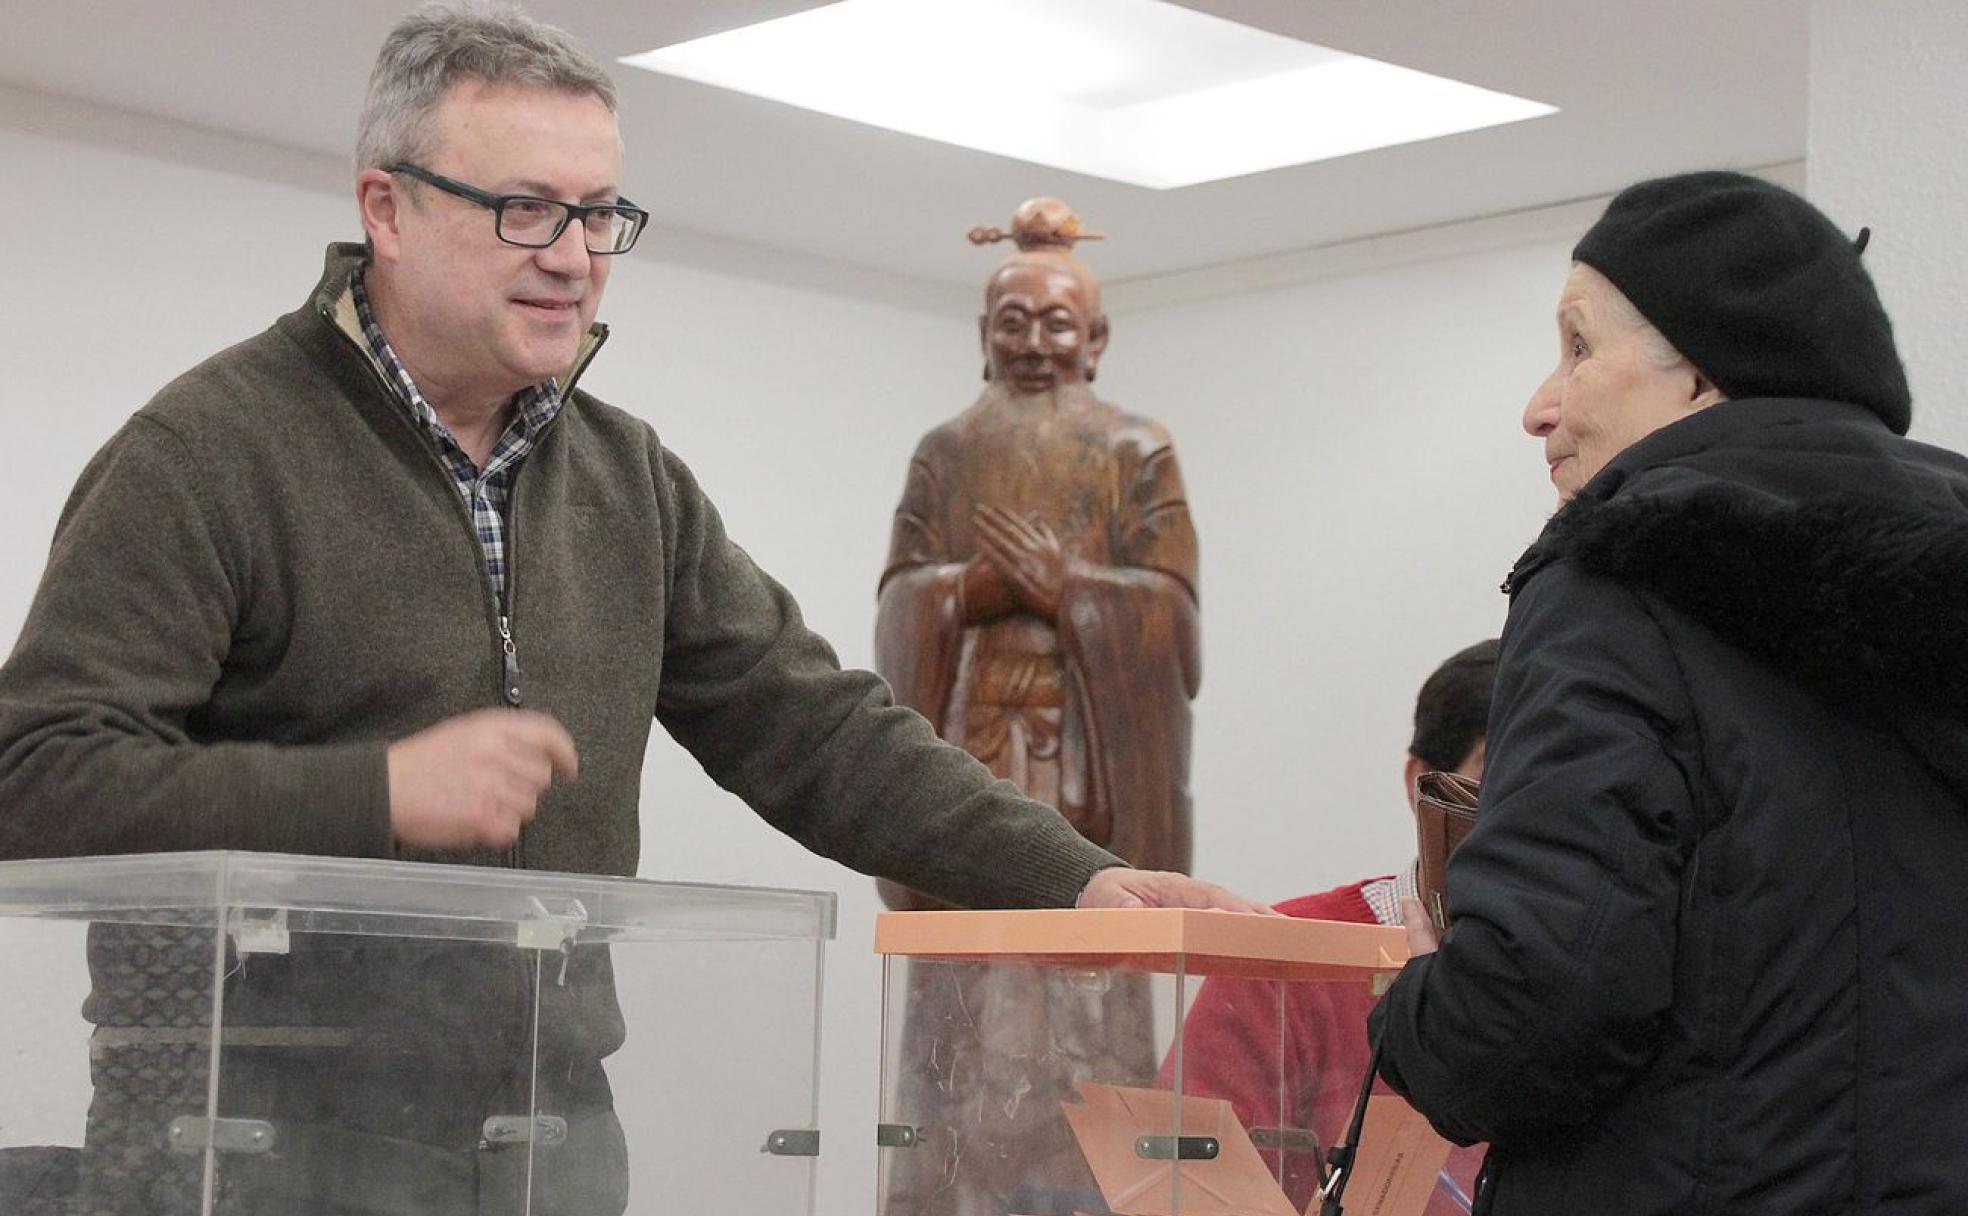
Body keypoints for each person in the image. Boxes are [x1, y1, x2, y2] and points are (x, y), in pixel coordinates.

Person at [0, 6, 1262, 1213]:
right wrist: (371, 793)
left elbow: (813, 728)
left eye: (601, 213)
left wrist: (1075, 879)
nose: (573, 254)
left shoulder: (627, 475)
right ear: (385, 208)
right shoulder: (208, 452)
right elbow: (37, 777)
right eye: (524, 208)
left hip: (554, 1133)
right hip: (259, 1137)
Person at [1371, 171, 1968, 1215]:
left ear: (1698, 372)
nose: (1539, 405)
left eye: (1578, 346)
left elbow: (1533, 1015)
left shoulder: (1620, 576)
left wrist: (1416, 1004)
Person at [874, 199, 1200, 1216]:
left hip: (1088, 772)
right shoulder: (943, 451)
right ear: (982, 334)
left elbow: (1177, 623)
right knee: (963, 1029)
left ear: (1096, 338)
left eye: (1058, 322)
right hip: (968, 753)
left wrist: (1073, 590)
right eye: (1012, 320)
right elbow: (898, 604)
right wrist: (964, 591)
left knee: (1087, 1011)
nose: (1034, 342)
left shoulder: (1137, 449)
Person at [1168, 641, 1497, 1215]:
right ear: (1423, 785)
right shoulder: (1281, 966)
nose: (1539, 822)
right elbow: (1181, 1188)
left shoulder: (1622, 976)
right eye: (1502, 780)